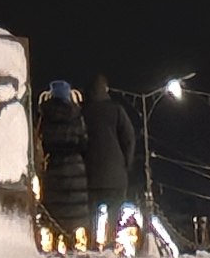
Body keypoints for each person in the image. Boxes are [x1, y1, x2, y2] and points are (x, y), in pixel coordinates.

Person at [82, 73, 138, 244]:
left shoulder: (84, 113)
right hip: (116, 174)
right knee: (114, 213)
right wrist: (125, 163)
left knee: (92, 213)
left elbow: (80, 140)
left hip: (91, 173)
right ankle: (111, 243)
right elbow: (129, 138)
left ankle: (92, 243)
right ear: (105, 89)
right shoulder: (117, 110)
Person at [36, 80, 88, 241]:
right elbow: (84, 141)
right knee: (74, 207)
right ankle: (73, 239)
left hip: (53, 166)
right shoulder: (76, 115)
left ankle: (56, 238)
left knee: (55, 205)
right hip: (75, 166)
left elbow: (40, 139)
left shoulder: (45, 117)